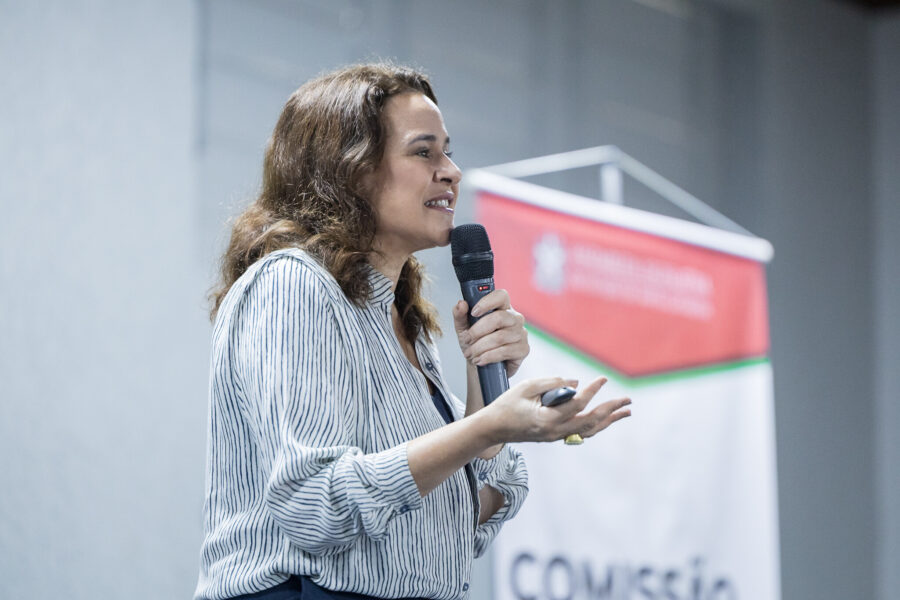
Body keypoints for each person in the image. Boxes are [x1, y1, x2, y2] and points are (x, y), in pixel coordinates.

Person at [195, 63, 631, 600]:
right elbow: (315, 505)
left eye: (449, 152)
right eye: (424, 152)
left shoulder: (403, 324)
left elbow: (461, 520)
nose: (452, 172)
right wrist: (486, 428)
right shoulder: (294, 284)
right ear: (350, 169)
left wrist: (483, 378)